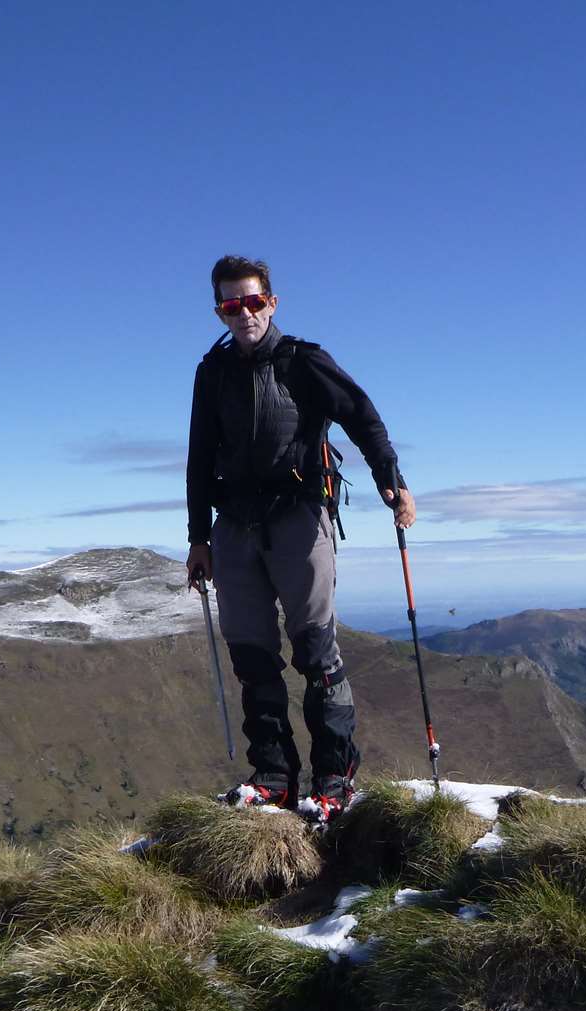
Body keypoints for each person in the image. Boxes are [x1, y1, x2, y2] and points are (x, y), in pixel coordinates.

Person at [185, 254, 415, 821]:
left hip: (298, 518)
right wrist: (198, 538)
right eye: (230, 304)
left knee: (315, 649)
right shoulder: (211, 373)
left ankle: (335, 777)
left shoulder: (304, 362)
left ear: (273, 302)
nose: (243, 314)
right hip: (234, 526)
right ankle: (274, 779)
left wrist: (393, 481)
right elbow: (198, 458)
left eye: (253, 301)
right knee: (252, 655)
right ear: (219, 309)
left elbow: (363, 417)